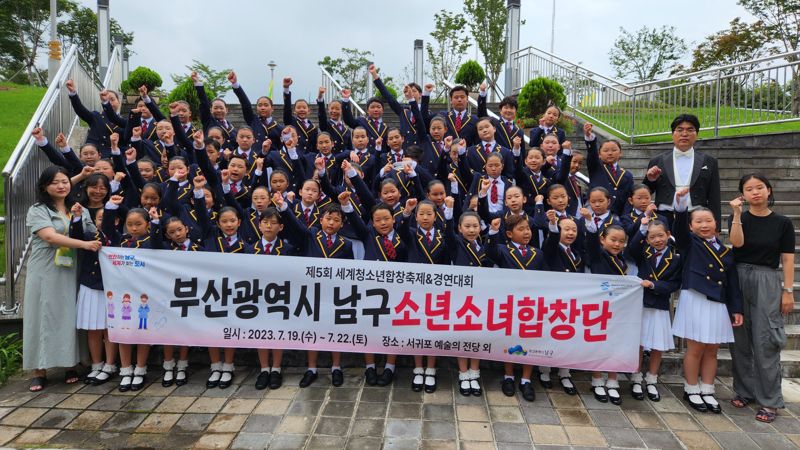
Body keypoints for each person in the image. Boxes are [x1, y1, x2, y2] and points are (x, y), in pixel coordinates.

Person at [24, 166, 102, 392]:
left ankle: (71, 363)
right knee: (42, 314)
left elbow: (90, 232)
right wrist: (84, 245)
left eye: (65, 182)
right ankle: (39, 370)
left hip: (72, 268)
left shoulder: (78, 209)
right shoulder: (38, 209)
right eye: (55, 182)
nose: (61, 186)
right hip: (46, 269)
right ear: (45, 187)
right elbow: (50, 236)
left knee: (70, 313)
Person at [728, 174, 794, 423]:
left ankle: (769, 400)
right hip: (739, 277)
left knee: (766, 340)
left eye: (759, 188)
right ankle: (744, 390)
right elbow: (737, 243)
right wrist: (736, 216)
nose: (755, 192)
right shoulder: (740, 218)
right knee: (740, 337)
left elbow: (787, 258)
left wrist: (788, 291)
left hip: (767, 280)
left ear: (769, 190)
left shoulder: (782, 223)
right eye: (749, 189)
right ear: (741, 194)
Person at [672, 188, 743, 413]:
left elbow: (732, 283)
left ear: (716, 223)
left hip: (718, 303)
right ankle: (691, 388)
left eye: (709, 220)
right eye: (699, 222)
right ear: (691, 226)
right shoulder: (689, 244)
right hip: (696, 299)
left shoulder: (725, 251)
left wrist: (736, 309)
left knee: (712, 349)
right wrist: (681, 204)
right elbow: (678, 230)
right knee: (695, 348)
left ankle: (708, 388)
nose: (704, 225)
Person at [626, 216, 682, 401]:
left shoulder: (675, 258)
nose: (657, 240)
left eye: (661, 235)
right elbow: (631, 249)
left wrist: (654, 285)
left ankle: (651, 379)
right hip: (641, 304)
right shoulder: (643, 253)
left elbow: (674, 284)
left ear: (668, 235)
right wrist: (642, 228)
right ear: (647, 239)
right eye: (652, 237)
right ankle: (635, 378)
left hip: (659, 305)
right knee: (639, 344)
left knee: (657, 345)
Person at [643, 114, 721, 228]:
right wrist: (650, 179)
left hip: (696, 218)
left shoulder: (709, 161)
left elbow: (714, 196)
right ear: (672, 134)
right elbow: (645, 191)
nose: (684, 134)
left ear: (697, 134)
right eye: (680, 130)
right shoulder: (657, 160)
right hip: (664, 218)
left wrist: (716, 227)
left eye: (690, 130)